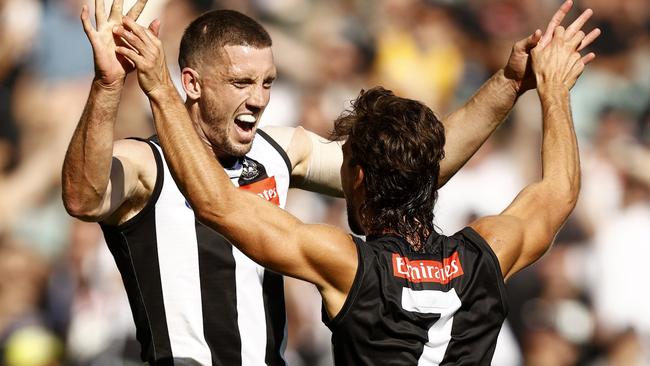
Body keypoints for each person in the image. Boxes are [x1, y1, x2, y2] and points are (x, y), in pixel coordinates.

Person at [62, 0, 599, 364]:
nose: (259, 98)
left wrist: (507, 82)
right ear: (193, 84)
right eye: (242, 82)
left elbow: (406, 166)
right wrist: (109, 86)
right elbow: (83, 197)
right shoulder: (145, 162)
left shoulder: (282, 153)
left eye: (268, 82)